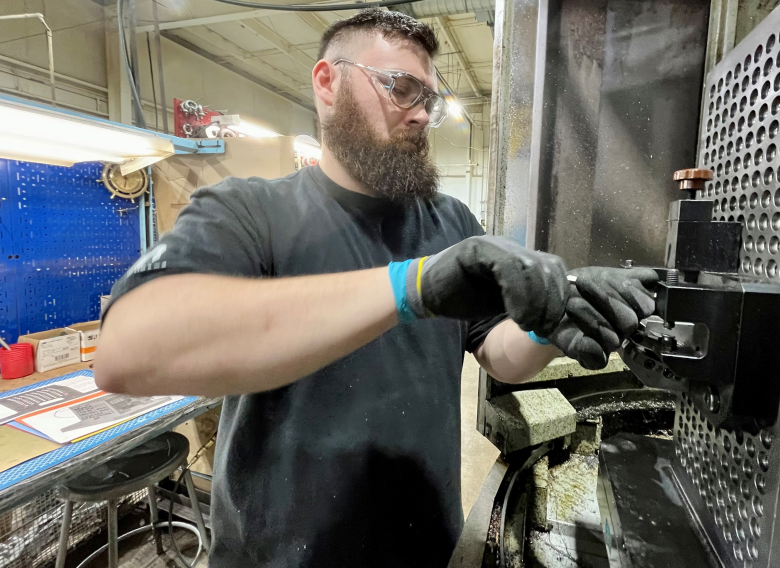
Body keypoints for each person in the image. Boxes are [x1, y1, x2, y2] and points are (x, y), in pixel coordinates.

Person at [94, 9, 657, 567]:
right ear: (328, 83)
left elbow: (499, 355)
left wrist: (548, 322)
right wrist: (412, 285)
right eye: (401, 88)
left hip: (426, 548)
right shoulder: (251, 212)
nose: (419, 115)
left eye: (428, 101)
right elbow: (127, 351)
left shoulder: (450, 222)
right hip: (279, 557)